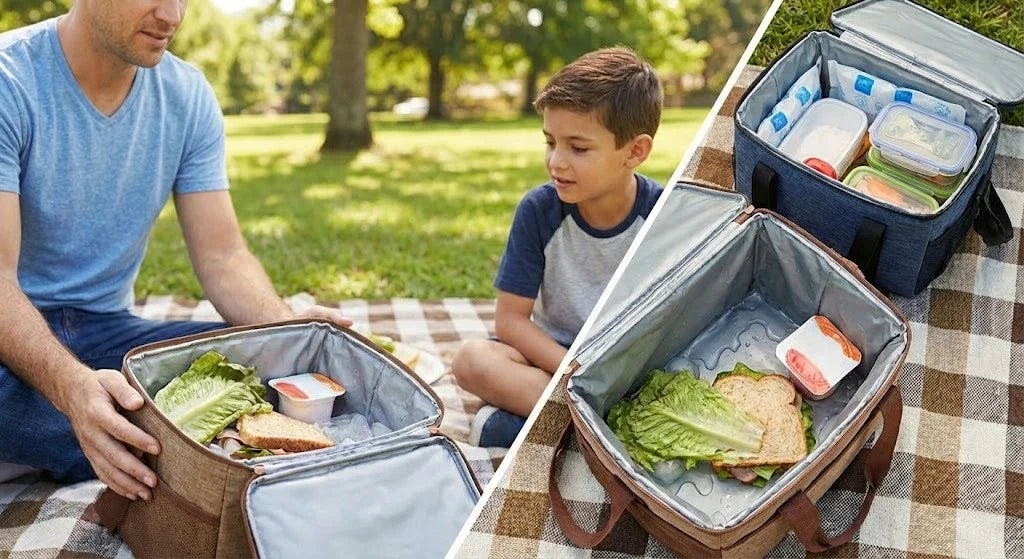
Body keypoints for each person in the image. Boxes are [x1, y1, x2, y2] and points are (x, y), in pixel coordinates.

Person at [0, 1, 350, 501]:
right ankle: (106, 434)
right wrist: (71, 388)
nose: (173, 15)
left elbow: (223, 256)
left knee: (254, 365)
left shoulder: (186, 94)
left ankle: (64, 441)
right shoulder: (9, 79)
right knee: (157, 415)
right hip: (9, 331)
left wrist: (285, 332)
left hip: (105, 328)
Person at [453, 47, 664, 447]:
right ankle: (598, 430)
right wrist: (572, 370)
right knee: (471, 361)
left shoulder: (661, 215)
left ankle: (529, 430)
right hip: (549, 358)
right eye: (550, 142)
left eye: (578, 148)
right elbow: (511, 321)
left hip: (621, 365)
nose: (556, 162)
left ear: (635, 151)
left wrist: (606, 371)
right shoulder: (539, 209)